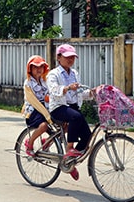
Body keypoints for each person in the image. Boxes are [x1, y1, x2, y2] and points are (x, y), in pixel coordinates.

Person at [47, 44, 94, 181]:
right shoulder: (53, 74)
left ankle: (70, 162)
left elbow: (79, 92)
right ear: (59, 57)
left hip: (73, 108)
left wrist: (92, 93)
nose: (70, 60)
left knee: (87, 138)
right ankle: (69, 150)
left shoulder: (74, 73)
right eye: (67, 57)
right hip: (59, 107)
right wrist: (67, 88)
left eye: (72, 57)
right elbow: (54, 91)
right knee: (76, 117)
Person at [22, 55, 51, 157]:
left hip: (46, 109)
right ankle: (29, 143)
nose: (39, 69)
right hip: (33, 112)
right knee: (44, 126)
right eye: (35, 67)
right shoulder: (28, 83)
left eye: (41, 67)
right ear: (30, 69)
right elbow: (33, 101)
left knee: (65, 124)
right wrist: (46, 113)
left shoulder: (45, 81)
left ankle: (47, 141)